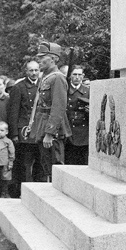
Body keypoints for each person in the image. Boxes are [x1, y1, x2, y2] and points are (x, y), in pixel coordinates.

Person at [29, 41, 71, 181]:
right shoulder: (46, 77)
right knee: (47, 165)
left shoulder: (58, 78)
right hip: (43, 124)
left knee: (56, 166)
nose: (39, 60)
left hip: (53, 129)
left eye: (43, 57)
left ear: (54, 59)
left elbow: (58, 108)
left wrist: (50, 133)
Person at [8, 60, 42, 192]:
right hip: (24, 131)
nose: (34, 73)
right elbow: (13, 112)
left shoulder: (44, 85)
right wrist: (14, 134)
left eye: (36, 70)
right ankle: (24, 191)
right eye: (31, 70)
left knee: (40, 162)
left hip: (39, 129)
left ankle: (39, 191)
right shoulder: (19, 87)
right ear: (26, 72)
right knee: (25, 163)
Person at [65, 66, 90, 165]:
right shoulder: (65, 90)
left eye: (79, 75)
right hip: (69, 130)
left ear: (83, 76)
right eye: (74, 74)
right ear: (70, 75)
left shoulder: (88, 91)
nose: (77, 77)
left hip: (84, 131)